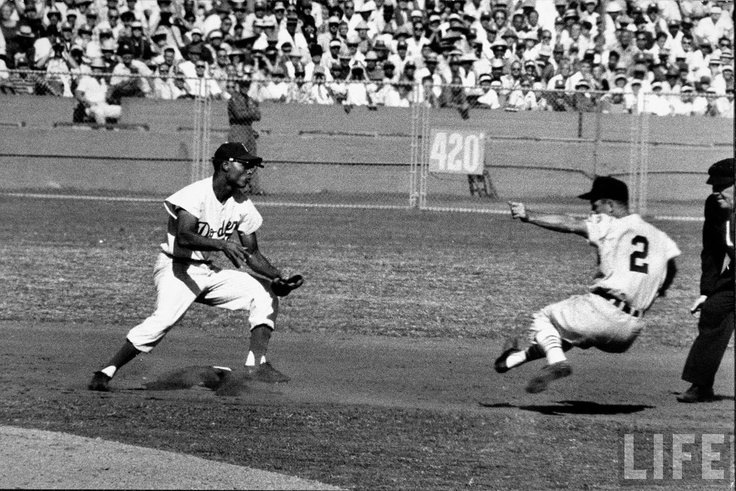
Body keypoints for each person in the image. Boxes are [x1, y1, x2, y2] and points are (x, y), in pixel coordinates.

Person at [88, 142, 303, 392]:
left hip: (206, 271)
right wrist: (221, 244)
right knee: (163, 320)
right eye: (245, 165)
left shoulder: (242, 203)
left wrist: (278, 277)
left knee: (264, 291)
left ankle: (256, 363)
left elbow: (252, 252)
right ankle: (107, 370)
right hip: (176, 268)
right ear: (225, 165)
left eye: (252, 166)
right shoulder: (195, 194)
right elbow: (184, 236)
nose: (250, 171)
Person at [497, 176, 680, 393]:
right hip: (629, 331)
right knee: (562, 335)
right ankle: (510, 360)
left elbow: (570, 223)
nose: (592, 212)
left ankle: (557, 363)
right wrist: (655, 290)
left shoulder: (611, 223)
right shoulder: (660, 236)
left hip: (601, 312)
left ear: (610, 206)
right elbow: (672, 269)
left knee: (544, 318)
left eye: (595, 206)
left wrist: (529, 216)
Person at [677, 158, 734, 403]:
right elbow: (711, 250)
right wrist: (706, 291)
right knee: (713, 310)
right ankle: (701, 385)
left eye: (724, 186)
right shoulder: (715, 207)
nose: (716, 192)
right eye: (714, 186)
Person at [227, 71, 262, 193]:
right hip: (238, 129)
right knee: (238, 160)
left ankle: (253, 187)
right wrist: (251, 113)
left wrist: (249, 114)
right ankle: (237, 187)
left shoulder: (249, 99)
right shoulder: (234, 99)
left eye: (247, 84)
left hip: (248, 129)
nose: (245, 87)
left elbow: (258, 115)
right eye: (243, 84)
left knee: (252, 160)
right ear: (239, 85)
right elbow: (239, 115)